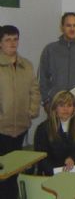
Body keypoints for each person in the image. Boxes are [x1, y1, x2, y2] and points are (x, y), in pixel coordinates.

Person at [0, 25, 41, 199]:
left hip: (21, 127)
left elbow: (35, 90)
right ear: (0, 43)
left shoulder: (27, 65)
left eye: (15, 39)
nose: (12, 43)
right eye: (8, 39)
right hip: (1, 128)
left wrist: (31, 111)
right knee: (2, 171)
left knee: (15, 170)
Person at [34, 91, 75, 175]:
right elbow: (41, 157)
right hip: (52, 172)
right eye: (61, 105)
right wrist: (55, 171)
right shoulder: (43, 129)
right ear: (54, 108)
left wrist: (73, 158)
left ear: (74, 108)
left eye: (69, 105)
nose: (66, 109)